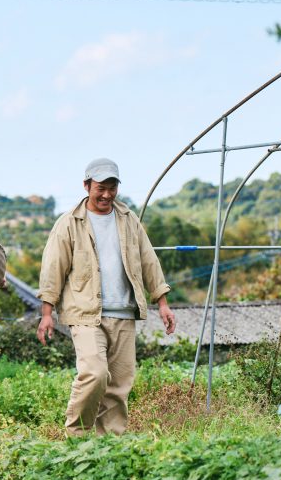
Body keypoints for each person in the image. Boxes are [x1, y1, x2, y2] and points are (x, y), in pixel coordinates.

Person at [36, 158, 176, 436]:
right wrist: (47, 314)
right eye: (101, 187)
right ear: (87, 186)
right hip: (86, 314)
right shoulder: (69, 223)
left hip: (123, 312)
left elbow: (149, 260)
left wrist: (162, 302)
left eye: (112, 187)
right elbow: (53, 268)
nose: (107, 194)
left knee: (119, 385)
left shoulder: (128, 219)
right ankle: (77, 435)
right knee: (95, 374)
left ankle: (110, 444)